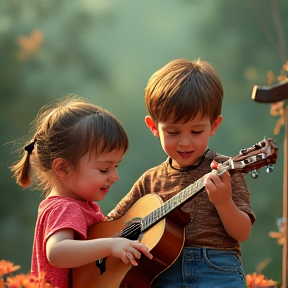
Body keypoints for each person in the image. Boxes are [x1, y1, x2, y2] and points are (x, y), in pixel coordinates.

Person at [107, 59, 256, 288]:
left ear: (214, 126)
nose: (185, 142)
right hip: (160, 274)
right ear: (154, 127)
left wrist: (224, 202)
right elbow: (111, 224)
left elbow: (242, 232)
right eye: (173, 132)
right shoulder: (150, 181)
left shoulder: (225, 169)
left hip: (217, 271)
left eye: (196, 131)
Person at [10, 95, 153, 288]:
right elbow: (58, 252)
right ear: (62, 169)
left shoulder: (78, 205)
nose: (115, 176)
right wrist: (110, 245)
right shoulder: (65, 207)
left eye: (116, 166)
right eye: (104, 169)